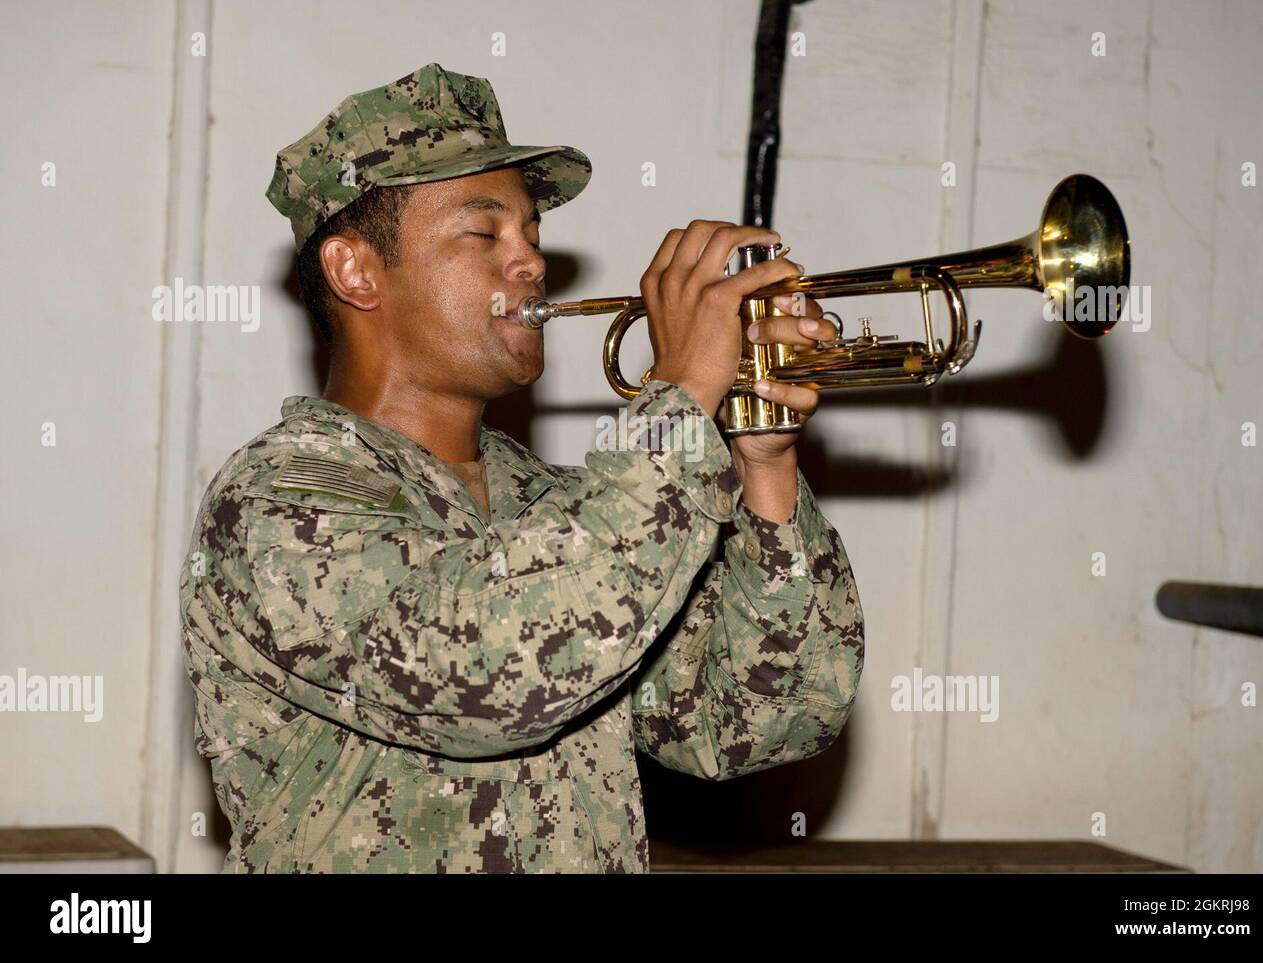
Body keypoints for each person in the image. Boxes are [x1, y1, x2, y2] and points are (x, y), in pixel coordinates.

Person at [180, 61, 865, 873]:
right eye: (485, 232)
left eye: (533, 236)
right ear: (355, 270)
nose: (531, 262)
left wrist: (764, 467)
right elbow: (494, 672)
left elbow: (757, 718)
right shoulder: (279, 502)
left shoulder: (553, 502)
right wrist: (681, 397)